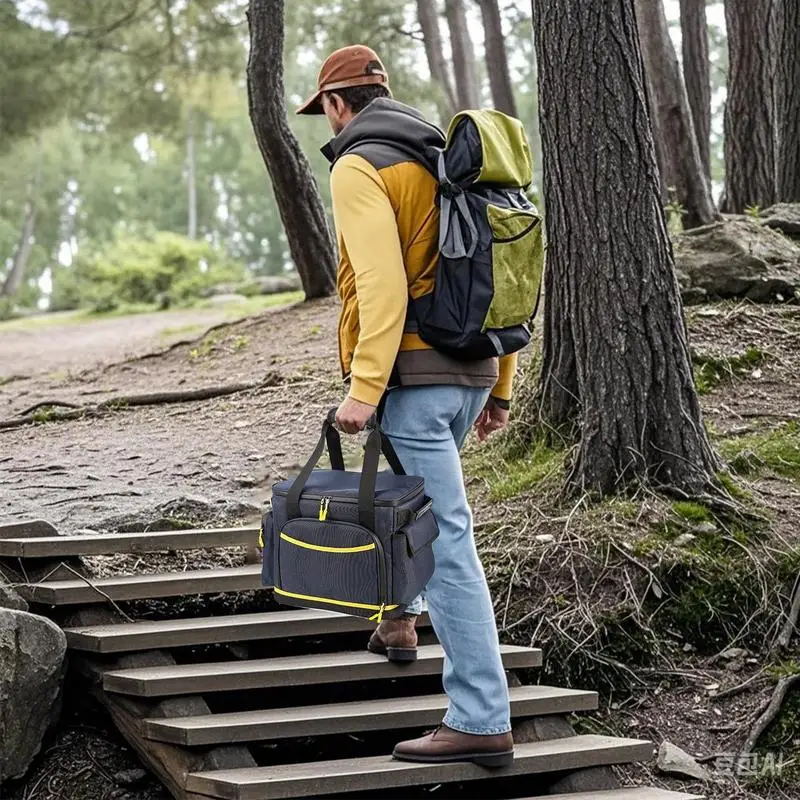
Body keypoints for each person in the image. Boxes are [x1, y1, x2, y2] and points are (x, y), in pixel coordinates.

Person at [297, 44, 518, 767]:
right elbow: (502, 269)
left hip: (415, 381)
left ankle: (480, 717)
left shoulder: (359, 165)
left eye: (325, 112)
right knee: (406, 505)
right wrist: (501, 383)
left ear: (336, 105)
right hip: (472, 371)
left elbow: (382, 283)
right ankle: (398, 620)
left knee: (447, 541)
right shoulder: (444, 155)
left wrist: (363, 389)